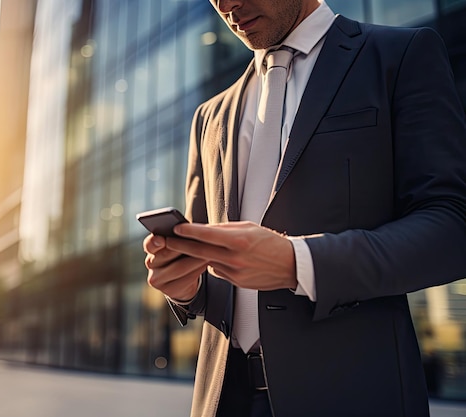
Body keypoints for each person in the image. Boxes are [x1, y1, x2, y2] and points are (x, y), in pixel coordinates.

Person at [142, 0, 466, 416]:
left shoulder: (400, 56)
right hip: (225, 399)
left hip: (353, 397)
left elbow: (452, 226)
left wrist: (300, 262)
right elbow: (212, 274)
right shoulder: (209, 115)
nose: (226, 5)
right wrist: (187, 289)